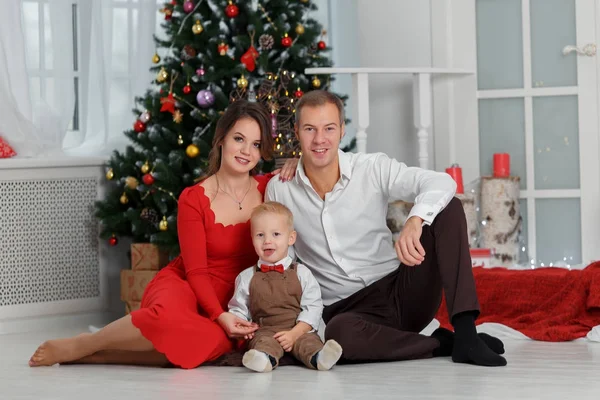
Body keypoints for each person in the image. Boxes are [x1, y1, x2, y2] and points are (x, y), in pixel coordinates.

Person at [29, 100, 299, 368]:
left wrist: (296, 161)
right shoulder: (193, 198)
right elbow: (196, 272)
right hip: (189, 284)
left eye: (255, 144)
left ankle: (97, 356)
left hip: (234, 298)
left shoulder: (270, 188)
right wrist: (219, 315)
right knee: (165, 319)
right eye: (239, 138)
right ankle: (85, 344)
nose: (246, 151)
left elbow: (315, 169)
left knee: (204, 343)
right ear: (221, 139)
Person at [266, 90, 507, 367]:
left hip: (402, 290)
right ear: (297, 131)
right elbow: (286, 260)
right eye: (310, 129)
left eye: (329, 128)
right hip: (348, 312)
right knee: (339, 336)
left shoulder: (371, 168)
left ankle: (466, 331)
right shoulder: (280, 190)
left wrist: (415, 220)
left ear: (343, 130)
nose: (320, 139)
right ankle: (445, 343)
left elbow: (441, 182)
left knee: (448, 207)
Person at [228, 201, 343, 372]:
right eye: (260, 235)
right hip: (266, 329)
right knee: (263, 343)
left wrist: (295, 333)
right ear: (252, 239)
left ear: (291, 238)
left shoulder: (302, 273)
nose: (267, 241)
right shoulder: (246, 277)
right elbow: (238, 307)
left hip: (298, 327)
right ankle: (263, 359)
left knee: (308, 342)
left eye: (276, 234)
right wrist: (243, 326)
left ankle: (320, 357)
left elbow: (313, 307)